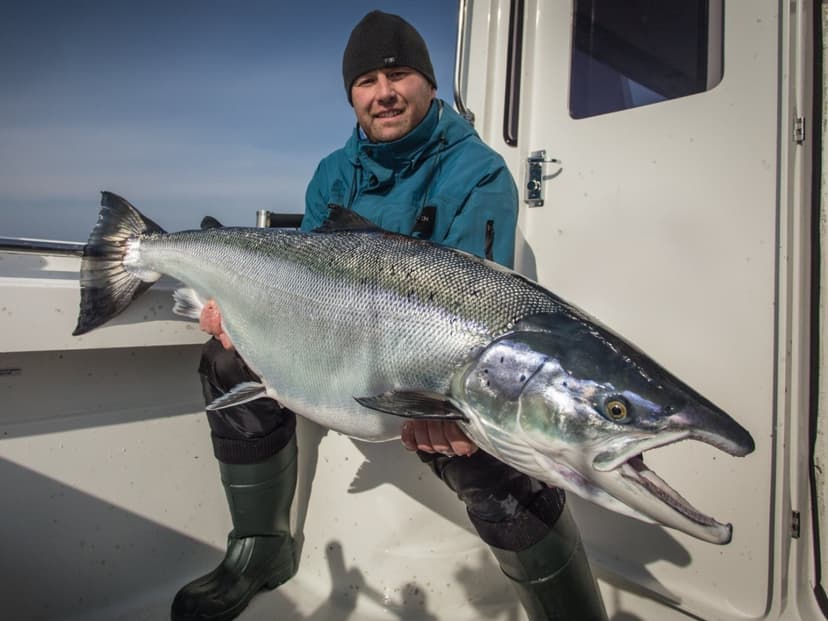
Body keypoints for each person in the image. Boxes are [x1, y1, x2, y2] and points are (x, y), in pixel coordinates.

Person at [171, 10, 607, 621]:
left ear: (428, 82)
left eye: (399, 75)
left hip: (432, 380)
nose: (384, 93)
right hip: (338, 356)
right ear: (351, 95)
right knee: (224, 360)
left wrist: (453, 409)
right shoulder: (332, 174)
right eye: (366, 81)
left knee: (504, 459)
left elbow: (477, 316)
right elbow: (306, 284)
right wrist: (243, 315)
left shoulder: (478, 173)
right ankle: (260, 549)